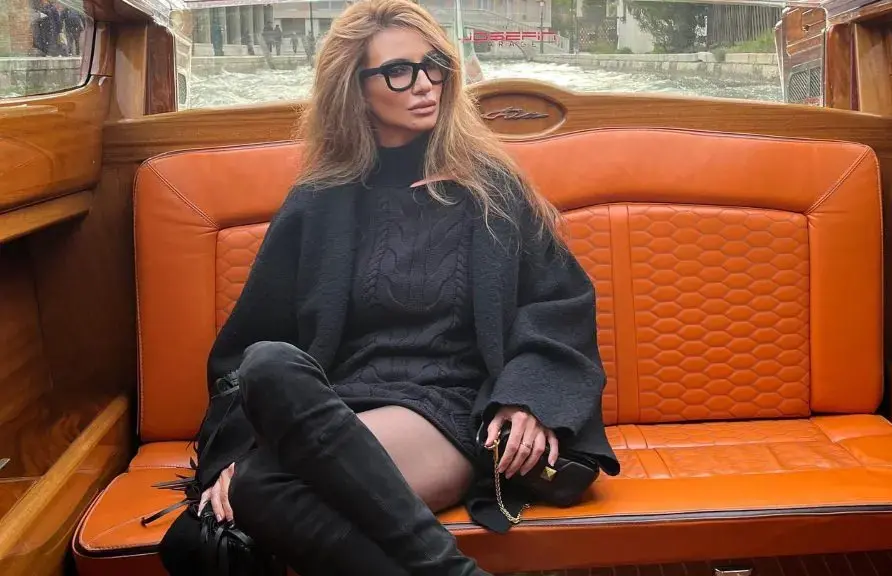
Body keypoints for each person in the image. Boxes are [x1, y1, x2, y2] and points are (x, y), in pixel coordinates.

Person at [163, 0, 619, 574]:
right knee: (268, 365)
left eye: (435, 66)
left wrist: (526, 397)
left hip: (449, 409)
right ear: (354, 90)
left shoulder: (489, 190)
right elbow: (246, 344)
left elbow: (560, 303)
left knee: (255, 492)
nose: (425, 85)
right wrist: (231, 453)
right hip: (333, 405)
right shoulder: (319, 201)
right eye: (399, 71)